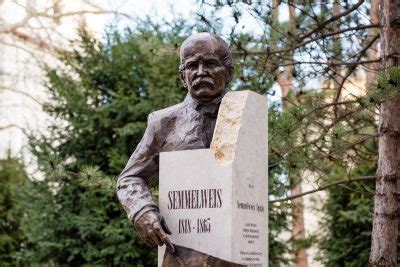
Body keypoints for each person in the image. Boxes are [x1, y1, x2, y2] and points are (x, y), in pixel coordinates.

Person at [116, 32, 237, 264]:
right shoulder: (162, 122)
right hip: (182, 254)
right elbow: (130, 178)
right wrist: (142, 210)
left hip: (237, 253)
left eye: (210, 63)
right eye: (192, 66)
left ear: (228, 71)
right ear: (183, 77)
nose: (201, 72)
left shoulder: (248, 114)